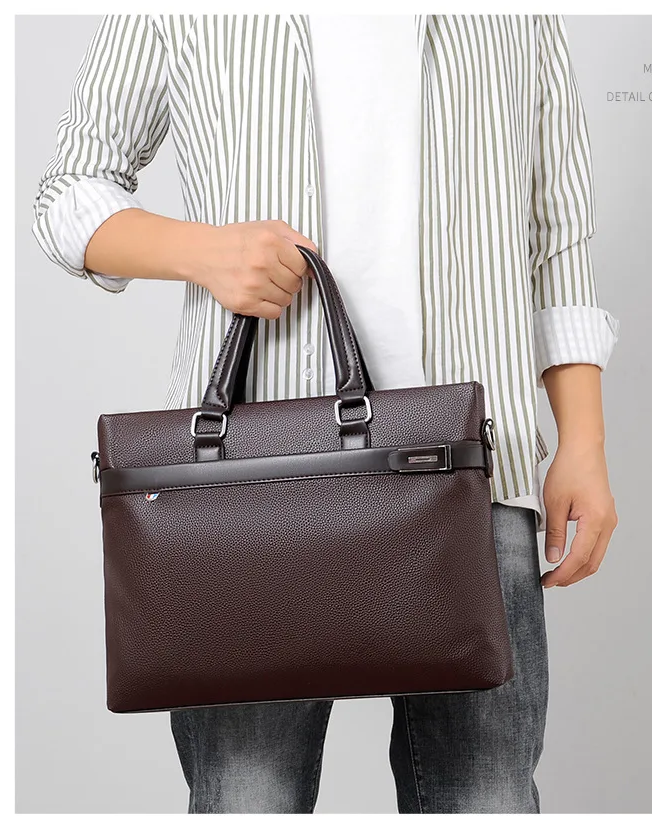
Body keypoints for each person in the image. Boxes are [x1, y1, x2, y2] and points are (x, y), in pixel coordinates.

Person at [32, 14, 619, 814]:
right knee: (246, 796)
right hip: (245, 489)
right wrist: (204, 252)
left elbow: (557, 234)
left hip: (479, 468)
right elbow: (68, 191)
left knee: (486, 795)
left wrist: (583, 440)